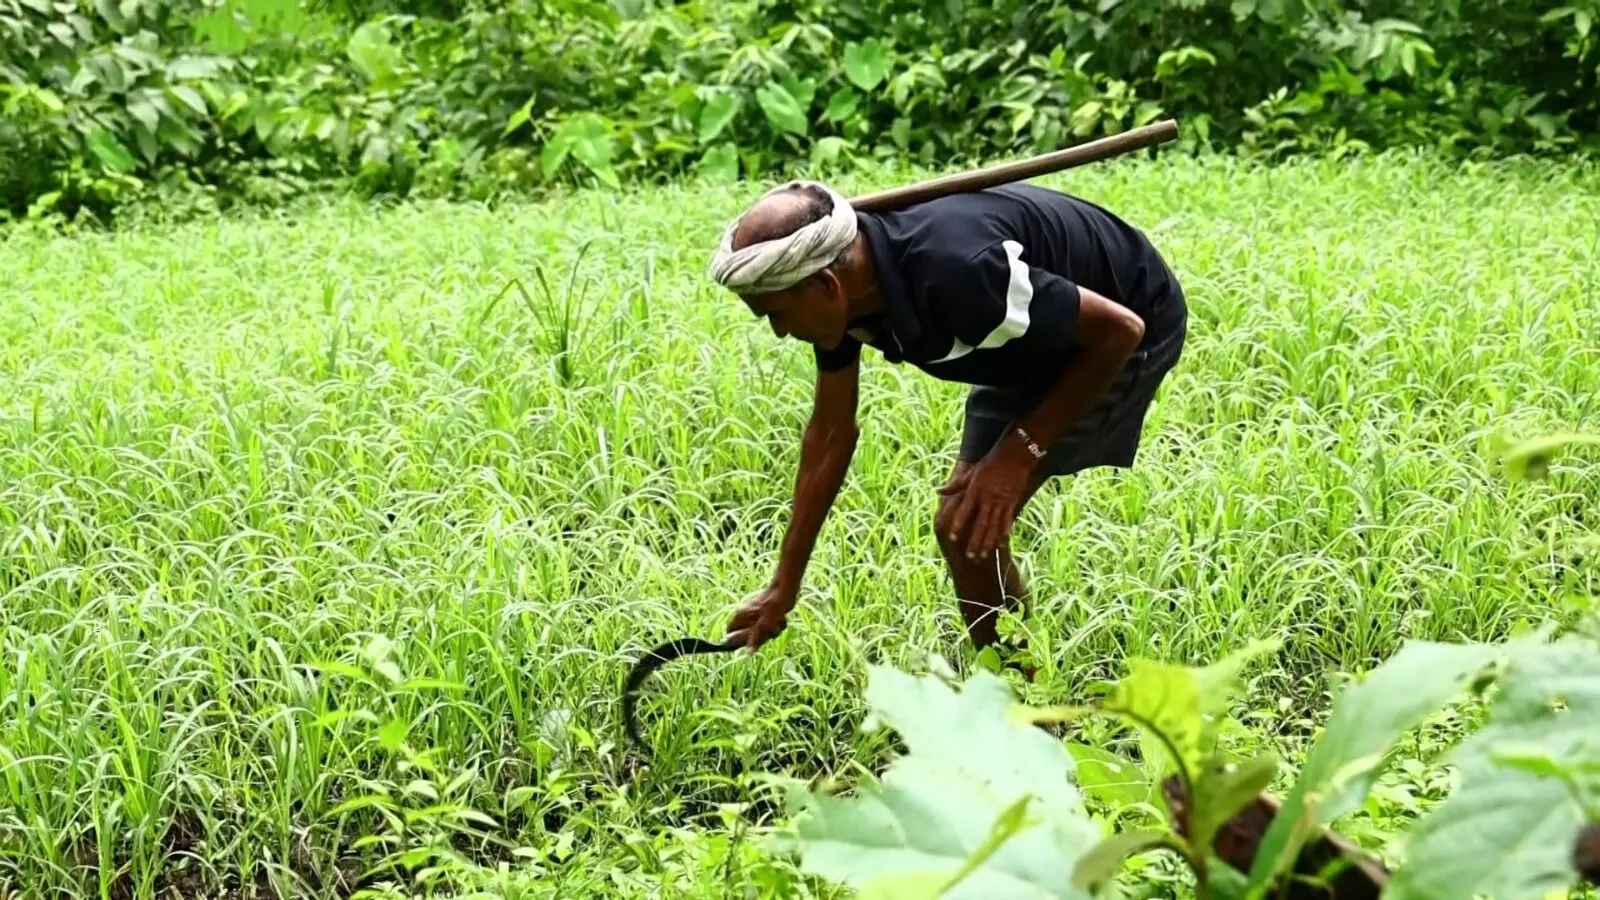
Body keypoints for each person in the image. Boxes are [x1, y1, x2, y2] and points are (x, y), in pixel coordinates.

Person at [706, 178, 1187, 670]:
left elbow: (1121, 329)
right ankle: (1018, 693)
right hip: (1026, 339)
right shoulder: (842, 284)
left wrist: (1018, 455)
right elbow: (831, 433)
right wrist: (785, 585)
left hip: (1124, 326)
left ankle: (1028, 708)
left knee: (969, 526)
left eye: (776, 316)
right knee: (964, 526)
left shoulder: (960, 272)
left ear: (828, 286)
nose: (781, 332)